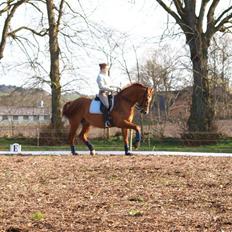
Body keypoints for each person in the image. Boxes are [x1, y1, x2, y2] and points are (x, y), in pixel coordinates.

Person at [96, 63, 117, 128]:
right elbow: (101, 86)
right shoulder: (99, 76)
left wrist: (116, 88)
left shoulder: (107, 77)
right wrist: (111, 89)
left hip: (110, 93)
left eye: (108, 68)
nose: (107, 70)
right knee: (107, 105)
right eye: (106, 68)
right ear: (103, 68)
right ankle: (106, 121)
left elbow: (110, 85)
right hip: (103, 93)